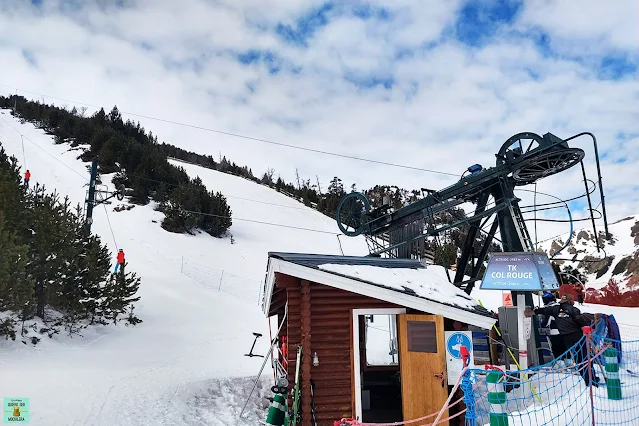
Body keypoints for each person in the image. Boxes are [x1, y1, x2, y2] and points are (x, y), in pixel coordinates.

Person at [525, 294, 599, 387]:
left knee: (578, 358)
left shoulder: (555, 309)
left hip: (566, 338)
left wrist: (529, 313)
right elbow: (582, 323)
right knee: (584, 357)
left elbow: (542, 310)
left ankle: (587, 379)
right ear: (570, 301)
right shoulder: (574, 310)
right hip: (577, 336)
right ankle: (592, 380)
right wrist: (589, 334)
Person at [539, 292, 567, 363]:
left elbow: (546, 321)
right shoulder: (560, 306)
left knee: (556, 347)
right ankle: (568, 362)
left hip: (555, 330)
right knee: (564, 347)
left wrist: (542, 325)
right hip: (565, 330)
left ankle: (559, 363)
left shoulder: (549, 308)